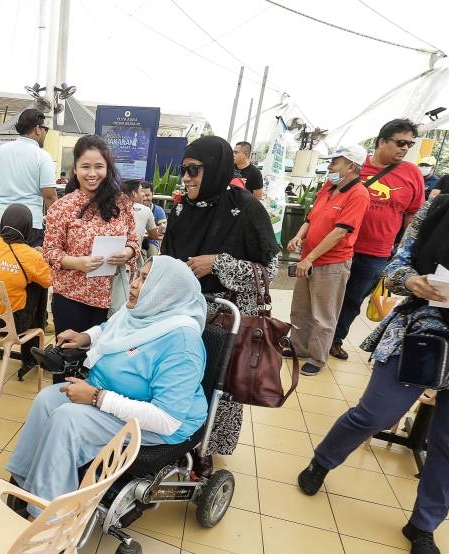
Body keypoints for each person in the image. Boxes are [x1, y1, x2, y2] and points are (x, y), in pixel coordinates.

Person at [297, 116, 449, 554]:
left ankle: (425, 524)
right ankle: (323, 460)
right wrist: (412, 282)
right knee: (375, 412)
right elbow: (397, 263)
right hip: (423, 330)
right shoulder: (440, 208)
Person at [5, 256, 209, 513]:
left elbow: (167, 419)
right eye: (137, 275)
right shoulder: (141, 312)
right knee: (47, 400)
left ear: (165, 291)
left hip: (158, 423)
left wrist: (97, 398)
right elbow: (111, 328)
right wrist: (84, 337)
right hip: (112, 396)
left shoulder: (182, 343)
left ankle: (50, 516)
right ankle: (26, 484)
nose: (134, 284)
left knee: (69, 418)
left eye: (145, 279)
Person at [160, 135, 280, 470]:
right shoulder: (182, 208)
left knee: (214, 386)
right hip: (181, 315)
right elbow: (167, 257)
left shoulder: (246, 209)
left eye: (194, 170)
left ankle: (204, 451)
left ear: (215, 169)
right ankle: (173, 443)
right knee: (177, 380)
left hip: (224, 319)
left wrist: (219, 264)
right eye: (184, 170)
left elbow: (268, 271)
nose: (186, 177)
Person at [42, 134, 140, 376]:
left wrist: (126, 253)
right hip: (72, 298)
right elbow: (50, 251)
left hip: (112, 299)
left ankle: (92, 408)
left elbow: (134, 242)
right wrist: (78, 263)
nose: (92, 173)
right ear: (75, 168)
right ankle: (63, 410)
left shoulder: (121, 204)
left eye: (99, 166)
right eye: (85, 167)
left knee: (100, 365)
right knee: (68, 364)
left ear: (108, 168)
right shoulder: (62, 207)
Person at [330, 119, 425, 361]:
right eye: (400, 142)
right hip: (337, 245)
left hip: (376, 252)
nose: (405, 148)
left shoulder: (412, 173)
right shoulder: (355, 166)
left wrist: (407, 250)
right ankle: (312, 337)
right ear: (382, 141)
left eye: (409, 144)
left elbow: (413, 215)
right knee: (326, 293)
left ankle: (335, 339)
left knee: (353, 298)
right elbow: (328, 200)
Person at [285, 145, 370, 376]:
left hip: (331, 263)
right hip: (308, 259)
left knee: (323, 314)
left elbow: (340, 231)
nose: (331, 165)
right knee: (301, 308)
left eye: (336, 161)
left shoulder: (358, 194)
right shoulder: (328, 188)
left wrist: (310, 258)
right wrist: (298, 236)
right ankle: (298, 347)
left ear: (351, 166)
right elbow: (311, 219)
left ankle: (317, 357)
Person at [0, 204, 53, 378]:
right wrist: (39, 257)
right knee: (37, 286)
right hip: (11, 326)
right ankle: (31, 353)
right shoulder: (30, 256)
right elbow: (48, 280)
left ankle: (30, 352)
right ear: (28, 228)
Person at [0, 108, 57, 246]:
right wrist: (56, 223)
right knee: (27, 265)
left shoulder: (1, 150)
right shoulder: (43, 156)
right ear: (37, 129)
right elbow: (49, 196)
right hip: (30, 223)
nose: (45, 133)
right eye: (45, 129)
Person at [123, 179, 159, 251]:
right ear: (134, 193)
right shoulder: (145, 210)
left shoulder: (113, 208)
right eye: (141, 191)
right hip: (133, 254)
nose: (143, 194)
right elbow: (154, 236)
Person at [141, 181, 167, 256]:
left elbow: (163, 228)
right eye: (143, 195)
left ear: (153, 194)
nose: (145, 198)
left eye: (148, 195)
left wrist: (162, 228)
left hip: (151, 241)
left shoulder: (158, 210)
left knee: (153, 258)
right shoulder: (134, 209)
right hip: (136, 241)